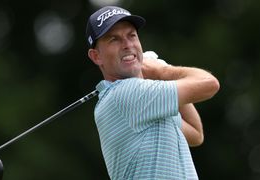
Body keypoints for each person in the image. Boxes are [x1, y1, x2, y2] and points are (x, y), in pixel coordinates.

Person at [85, 6, 220, 180]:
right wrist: (162, 71)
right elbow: (209, 84)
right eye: (114, 39)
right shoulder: (126, 95)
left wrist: (160, 78)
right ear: (97, 56)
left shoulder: (149, 105)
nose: (127, 45)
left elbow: (195, 133)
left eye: (132, 35)